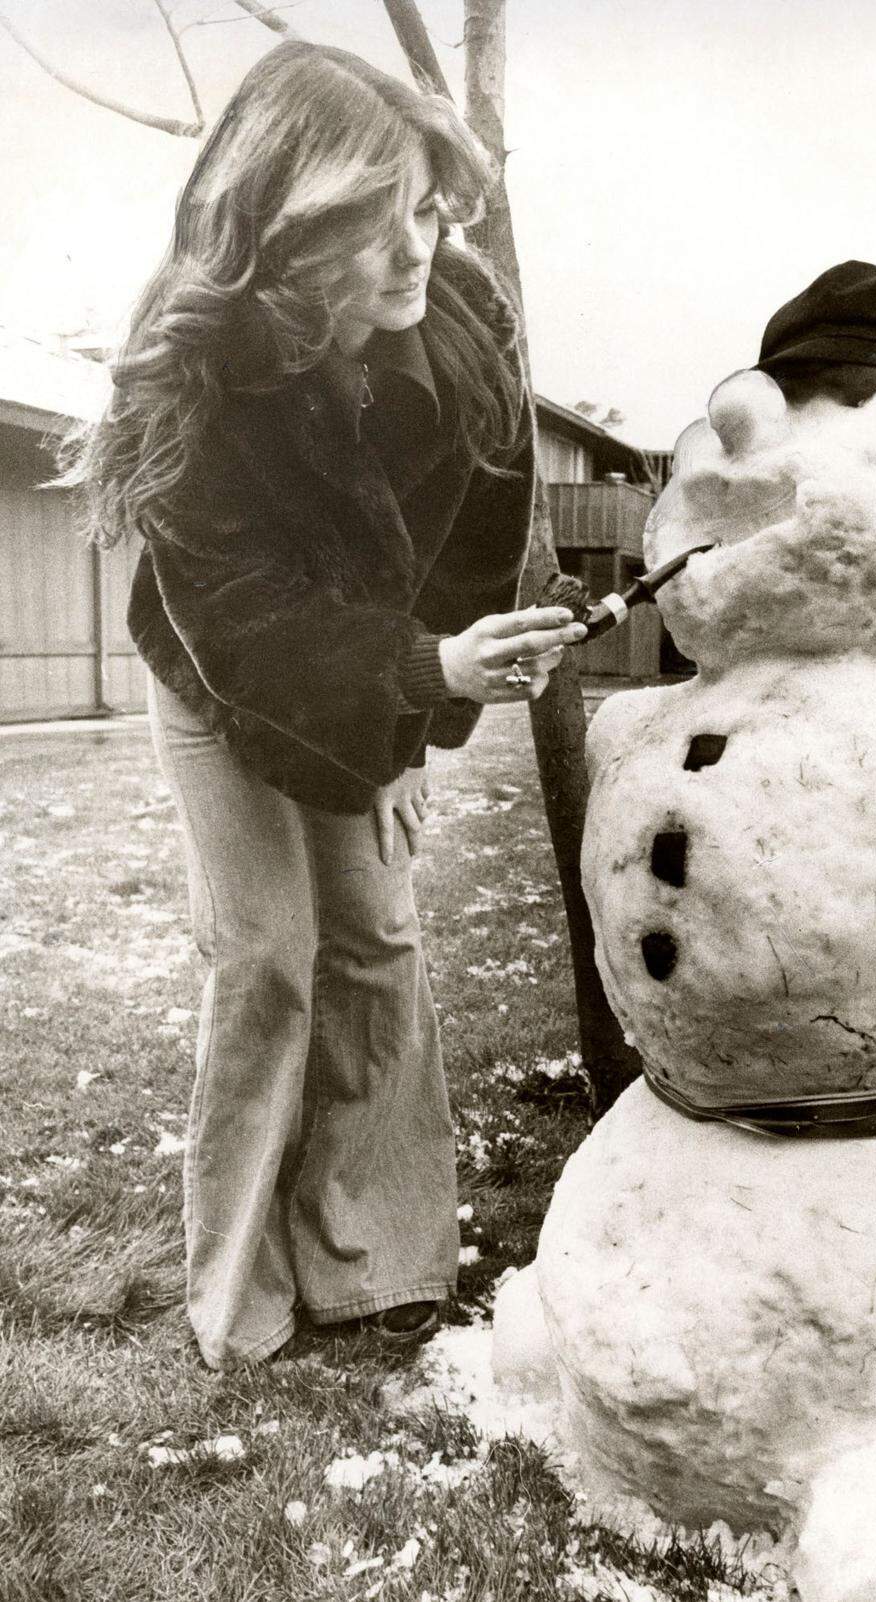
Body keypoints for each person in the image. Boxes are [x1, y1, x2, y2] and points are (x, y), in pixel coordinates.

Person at [64, 41, 586, 1370]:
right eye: (371, 223)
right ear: (286, 237)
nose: (415, 249)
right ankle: (238, 1297)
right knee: (270, 955)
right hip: (217, 676)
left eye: (424, 206)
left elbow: (474, 533)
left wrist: (414, 720)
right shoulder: (187, 372)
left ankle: (377, 1266)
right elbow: (244, 628)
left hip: (375, 675)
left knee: (379, 938)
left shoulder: (459, 316)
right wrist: (421, 673)